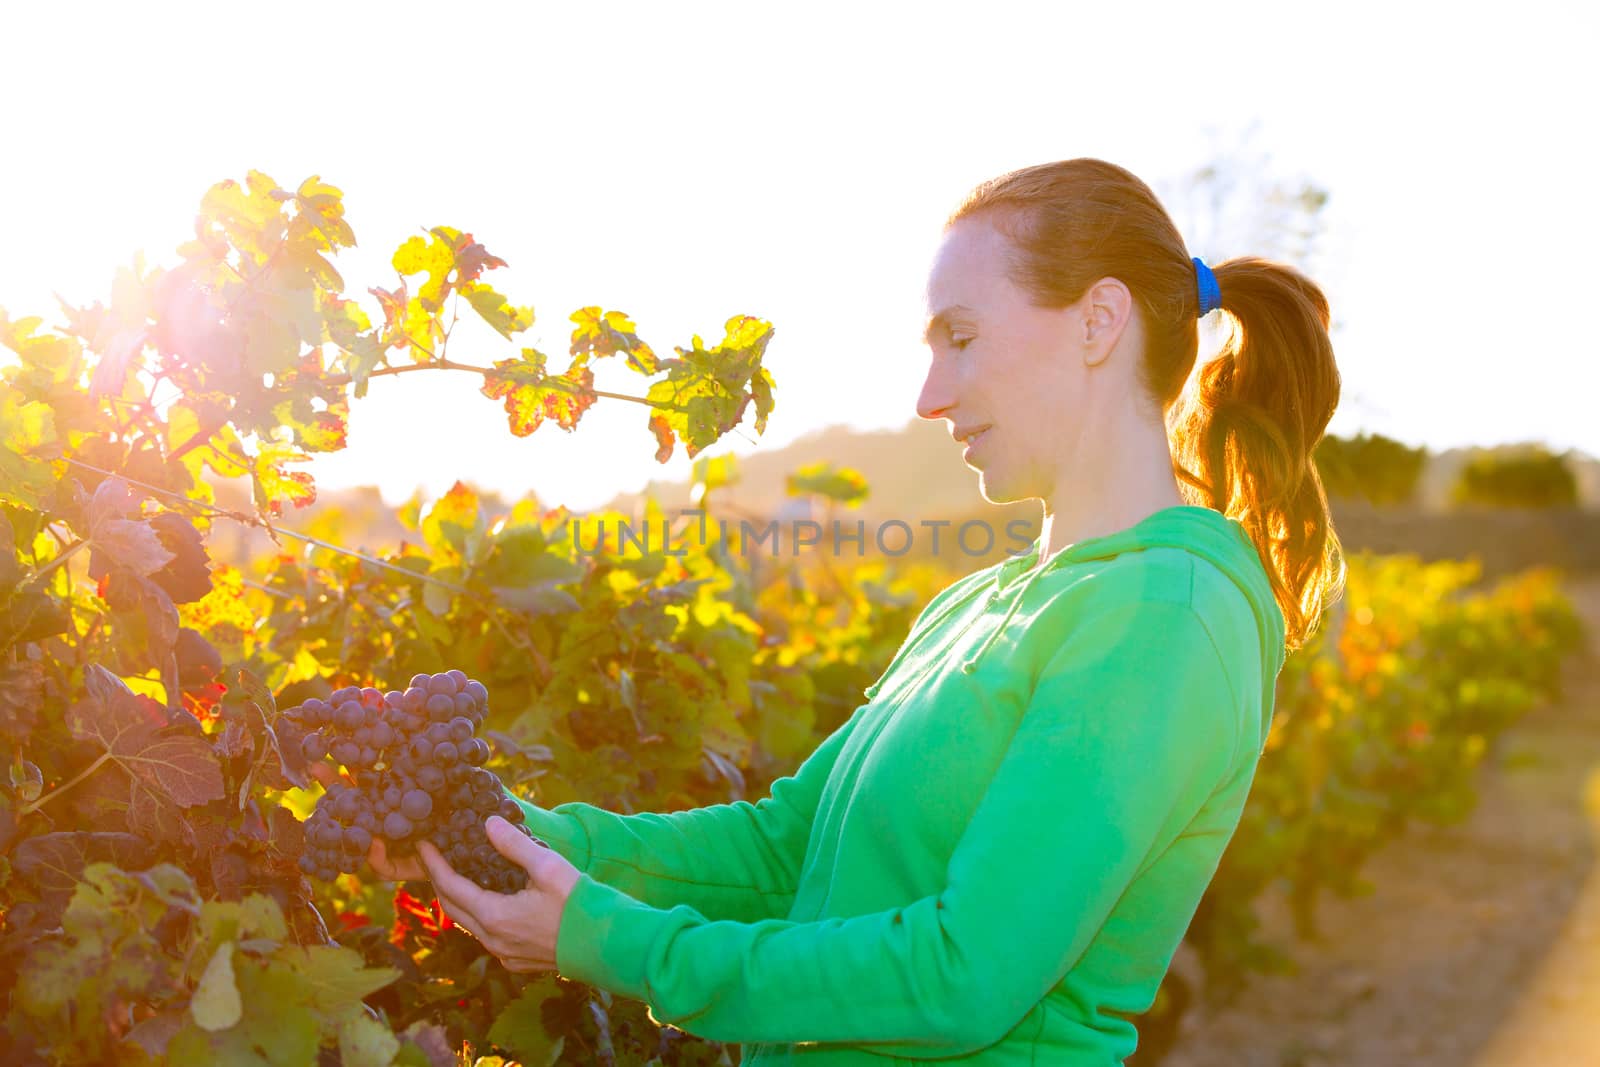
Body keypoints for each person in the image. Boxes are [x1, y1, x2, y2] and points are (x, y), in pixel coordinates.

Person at [361, 157, 1345, 1064]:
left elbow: (967, 974)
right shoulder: (980, 602)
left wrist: (616, 943)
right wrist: (519, 837)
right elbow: (786, 851)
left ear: (1098, 320)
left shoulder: (1164, 613)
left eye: (961, 339)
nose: (928, 393)